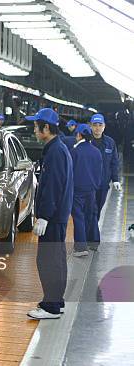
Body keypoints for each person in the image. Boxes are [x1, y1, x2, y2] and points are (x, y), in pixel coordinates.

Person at [26, 108, 73, 319]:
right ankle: (56, 301)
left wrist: (44, 215)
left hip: (53, 218)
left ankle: (51, 306)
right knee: (55, 258)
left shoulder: (55, 152)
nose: (34, 130)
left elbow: (53, 186)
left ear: (46, 128)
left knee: (48, 260)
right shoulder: (56, 149)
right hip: (58, 216)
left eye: (36, 126)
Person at [70, 124, 103, 257]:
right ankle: (93, 242)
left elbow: (70, 172)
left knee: (78, 216)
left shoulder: (74, 152)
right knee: (91, 215)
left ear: (79, 135)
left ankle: (80, 247)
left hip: (77, 190)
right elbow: (100, 172)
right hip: (92, 190)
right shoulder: (96, 151)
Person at [89, 114, 121, 219]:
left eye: (100, 125)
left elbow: (114, 162)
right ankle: (89, 232)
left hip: (103, 184)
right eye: (95, 125)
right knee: (89, 211)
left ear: (104, 126)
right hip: (88, 184)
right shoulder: (85, 141)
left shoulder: (110, 143)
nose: (97, 127)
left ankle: (93, 230)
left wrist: (115, 179)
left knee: (98, 210)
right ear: (90, 126)